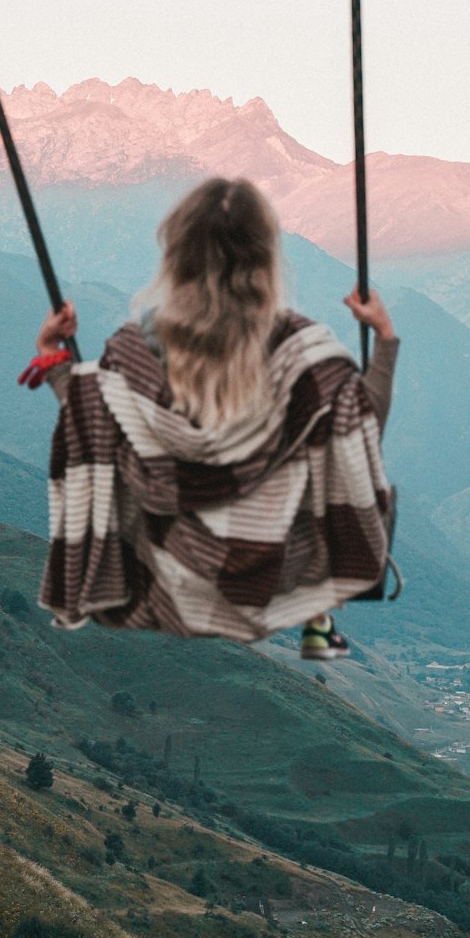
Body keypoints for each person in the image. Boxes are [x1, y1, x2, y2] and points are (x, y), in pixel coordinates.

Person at [26, 178, 398, 655]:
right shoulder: (304, 358)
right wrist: (383, 339)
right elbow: (361, 435)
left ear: (175, 256)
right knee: (344, 476)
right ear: (267, 260)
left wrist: (52, 355)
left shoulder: (131, 352)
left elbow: (91, 418)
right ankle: (317, 617)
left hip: (161, 586)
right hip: (272, 578)